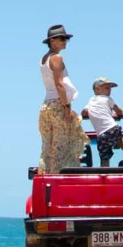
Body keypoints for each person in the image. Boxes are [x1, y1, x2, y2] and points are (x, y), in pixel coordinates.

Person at [37, 24, 87, 173]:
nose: (65, 41)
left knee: (47, 147)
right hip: (58, 104)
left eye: (66, 39)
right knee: (62, 146)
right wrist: (66, 107)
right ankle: (60, 179)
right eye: (62, 38)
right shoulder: (56, 58)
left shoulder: (44, 59)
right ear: (52, 40)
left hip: (46, 105)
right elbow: (60, 84)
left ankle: (45, 177)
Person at [82, 77, 123, 166]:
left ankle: (105, 172)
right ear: (97, 88)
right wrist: (120, 113)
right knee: (119, 138)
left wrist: (92, 114)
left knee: (104, 156)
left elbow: (84, 112)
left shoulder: (91, 101)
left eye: (110, 88)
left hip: (101, 135)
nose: (110, 90)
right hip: (111, 127)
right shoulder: (108, 99)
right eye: (107, 88)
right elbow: (118, 110)